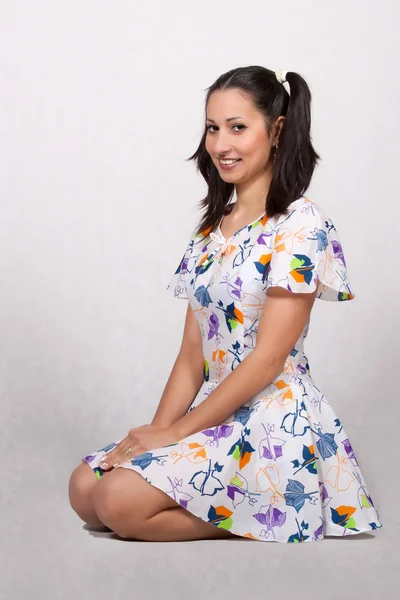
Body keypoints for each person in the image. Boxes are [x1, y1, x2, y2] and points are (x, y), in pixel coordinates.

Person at [69, 66, 383, 543]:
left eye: (238, 127)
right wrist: (155, 434)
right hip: (215, 411)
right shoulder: (211, 231)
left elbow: (268, 358)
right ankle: (216, 502)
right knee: (84, 490)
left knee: (117, 504)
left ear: (276, 131)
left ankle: (274, 511)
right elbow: (192, 356)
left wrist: (176, 436)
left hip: (271, 418)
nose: (221, 144)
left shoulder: (300, 225)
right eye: (213, 128)